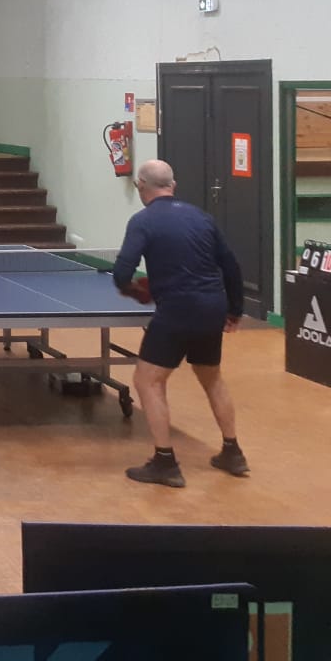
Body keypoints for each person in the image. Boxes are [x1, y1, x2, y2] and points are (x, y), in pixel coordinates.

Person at [112, 159, 248, 488]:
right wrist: (234, 310)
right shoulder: (202, 217)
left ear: (141, 186)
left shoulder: (142, 221)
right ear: (173, 185)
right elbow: (231, 266)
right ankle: (233, 452)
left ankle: (164, 462)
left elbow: (121, 273)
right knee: (211, 377)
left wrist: (134, 291)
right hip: (212, 306)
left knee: (148, 381)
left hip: (177, 309)